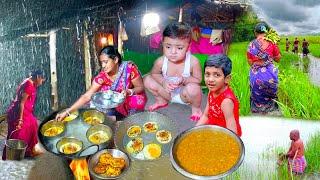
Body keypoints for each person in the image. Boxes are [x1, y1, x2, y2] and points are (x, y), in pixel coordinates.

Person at [56, 46, 147, 120]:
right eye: (101, 63)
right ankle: (114, 118)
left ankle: (130, 119)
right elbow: (87, 96)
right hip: (114, 104)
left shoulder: (129, 68)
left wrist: (129, 91)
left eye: (106, 62)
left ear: (115, 60)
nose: (103, 66)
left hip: (128, 98)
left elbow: (140, 87)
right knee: (96, 102)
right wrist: (68, 111)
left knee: (138, 100)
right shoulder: (102, 77)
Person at [143, 22, 203, 121]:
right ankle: (161, 100)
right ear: (163, 44)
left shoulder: (193, 61)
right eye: (168, 47)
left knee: (194, 88)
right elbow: (154, 74)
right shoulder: (161, 61)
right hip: (166, 93)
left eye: (179, 48)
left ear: (188, 46)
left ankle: (196, 109)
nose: (173, 52)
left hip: (184, 96)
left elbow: (198, 80)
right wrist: (163, 82)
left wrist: (184, 80)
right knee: (146, 79)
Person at [2, 69, 46, 160]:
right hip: (20, 111)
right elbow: (22, 103)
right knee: (20, 131)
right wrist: (20, 119)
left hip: (26, 111)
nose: (41, 83)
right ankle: (12, 154)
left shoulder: (29, 81)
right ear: (37, 77)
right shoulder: (29, 85)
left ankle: (29, 150)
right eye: (41, 80)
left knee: (33, 124)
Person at [196, 54, 242, 136]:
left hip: (225, 135)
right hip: (213, 129)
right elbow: (206, 115)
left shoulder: (226, 101)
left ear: (227, 79)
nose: (210, 79)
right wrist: (194, 131)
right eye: (207, 74)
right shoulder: (211, 91)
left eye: (216, 75)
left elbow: (232, 131)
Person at [247, 22, 281, 114]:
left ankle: (258, 109)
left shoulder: (251, 45)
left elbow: (250, 62)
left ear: (255, 32)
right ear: (267, 32)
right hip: (270, 75)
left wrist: (258, 66)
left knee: (256, 95)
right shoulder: (272, 43)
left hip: (256, 76)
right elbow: (278, 59)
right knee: (272, 96)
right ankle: (271, 110)